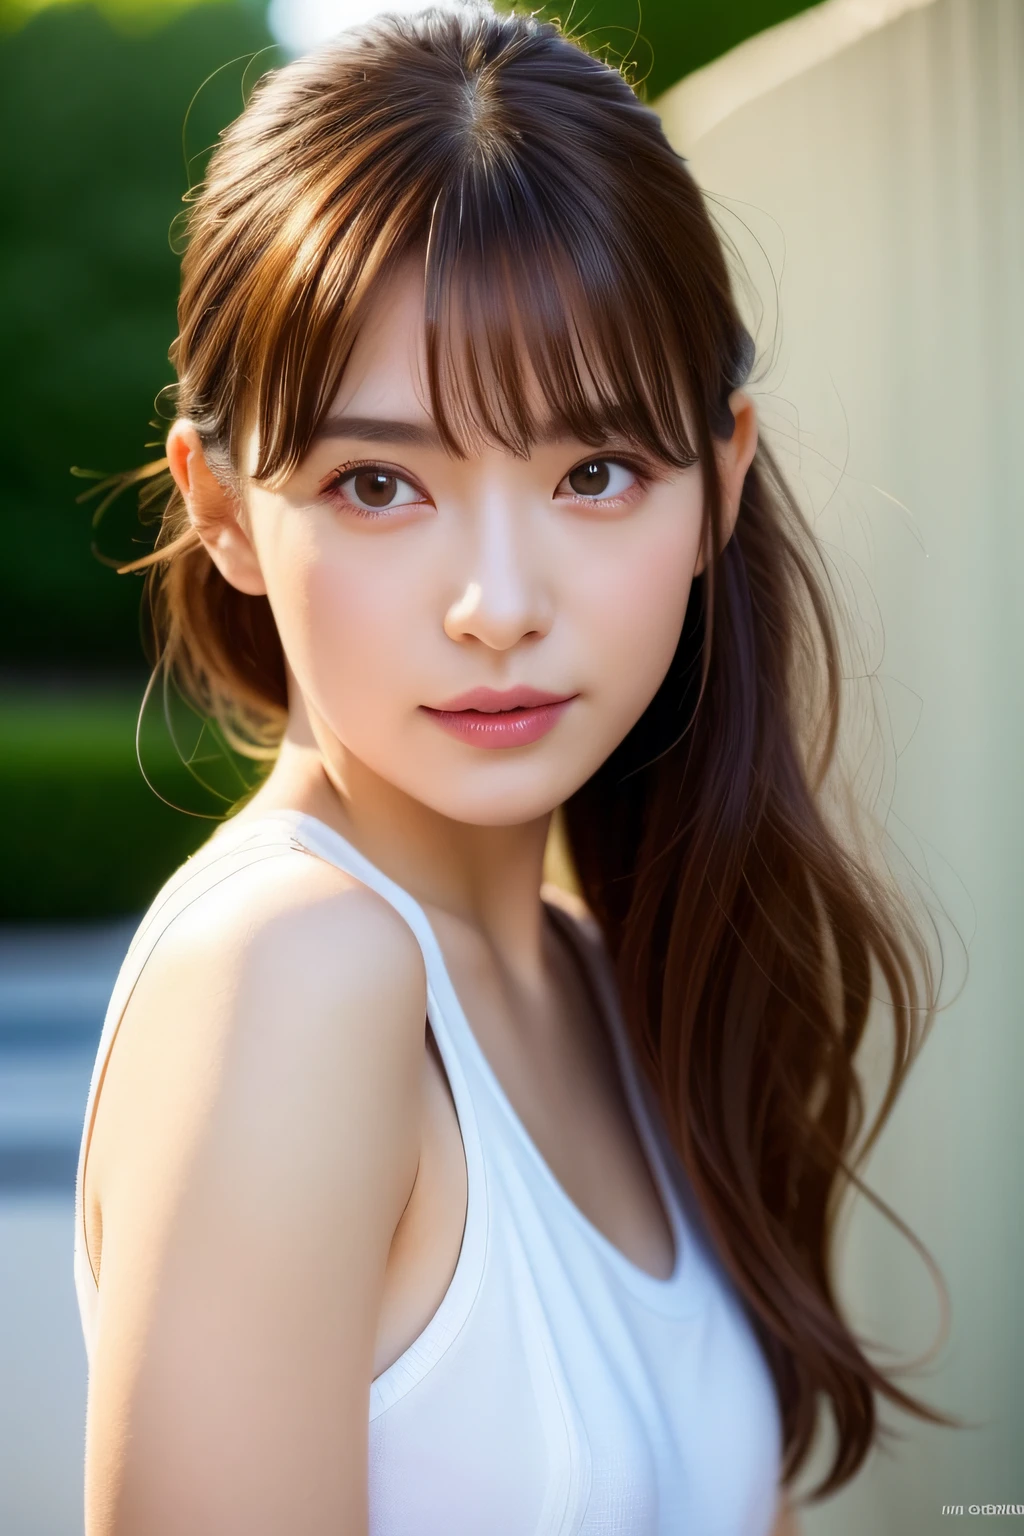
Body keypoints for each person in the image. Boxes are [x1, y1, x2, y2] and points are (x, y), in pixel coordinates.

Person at [72, 3, 951, 1531]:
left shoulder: (613, 983)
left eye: (593, 474)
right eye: (378, 482)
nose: (498, 604)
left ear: (720, 477)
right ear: (220, 508)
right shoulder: (295, 976)